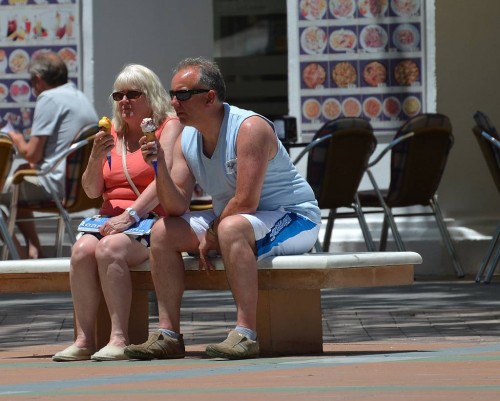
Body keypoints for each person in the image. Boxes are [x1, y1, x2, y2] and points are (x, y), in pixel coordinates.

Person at [124, 57, 321, 361]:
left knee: (231, 227)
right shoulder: (186, 135)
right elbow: (175, 205)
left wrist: (212, 233)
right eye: (172, 94)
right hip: (238, 220)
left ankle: (245, 334)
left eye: (183, 94)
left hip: (294, 216)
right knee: (162, 231)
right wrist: (159, 164)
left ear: (210, 97)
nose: (174, 102)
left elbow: (246, 202)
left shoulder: (250, 128)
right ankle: (168, 335)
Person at [52, 64, 183, 362]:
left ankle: (119, 338)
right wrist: (96, 158)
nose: (124, 100)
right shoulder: (111, 131)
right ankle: (84, 339)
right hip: (108, 219)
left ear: (150, 97)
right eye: (119, 94)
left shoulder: (168, 126)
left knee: (110, 249)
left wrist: (132, 215)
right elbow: (91, 190)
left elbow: (165, 177)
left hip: (150, 220)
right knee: (82, 250)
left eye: (133, 94)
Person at [2, 51, 98, 259]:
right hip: (83, 188)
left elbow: (33, 155)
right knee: (20, 176)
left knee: (9, 185)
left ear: (37, 79)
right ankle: (34, 250)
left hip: (57, 187)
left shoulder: (48, 98)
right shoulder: (78, 96)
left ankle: (19, 257)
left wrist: (16, 138)